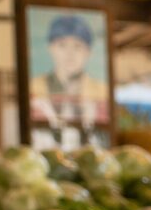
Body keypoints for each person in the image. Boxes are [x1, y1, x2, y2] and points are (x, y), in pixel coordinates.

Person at [30, 13, 109, 143]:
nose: (70, 53)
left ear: (88, 51)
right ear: (51, 48)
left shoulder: (101, 92)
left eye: (77, 46)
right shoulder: (33, 87)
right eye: (62, 45)